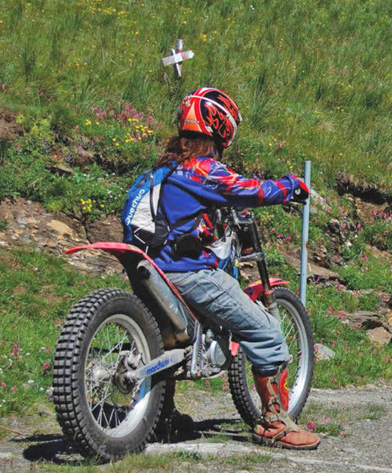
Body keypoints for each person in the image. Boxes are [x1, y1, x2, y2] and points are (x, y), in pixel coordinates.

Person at [145, 87, 319, 449]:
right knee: (267, 329)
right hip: (188, 274)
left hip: (154, 269)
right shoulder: (202, 170)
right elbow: (250, 190)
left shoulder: (164, 169)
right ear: (221, 128)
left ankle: (160, 417)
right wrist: (292, 186)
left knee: (170, 340)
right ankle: (274, 422)